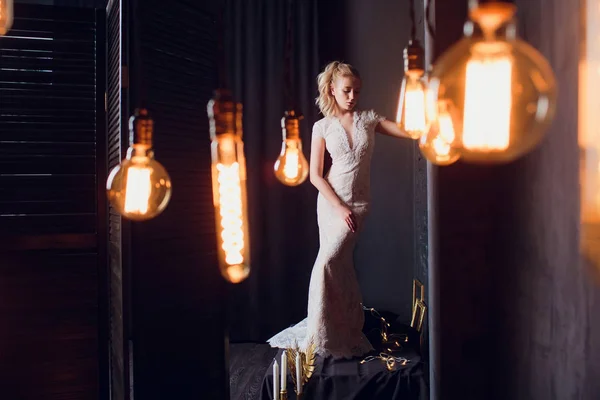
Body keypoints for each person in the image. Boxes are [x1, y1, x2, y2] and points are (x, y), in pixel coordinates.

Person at [267, 61, 410, 359]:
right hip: (333, 203)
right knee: (330, 263)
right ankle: (326, 332)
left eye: (357, 91)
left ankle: (343, 327)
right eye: (346, 90)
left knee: (337, 263)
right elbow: (315, 175)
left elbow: (409, 131)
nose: (352, 96)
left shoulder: (368, 119)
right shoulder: (322, 126)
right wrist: (340, 207)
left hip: (359, 203)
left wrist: (421, 108)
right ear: (332, 89)